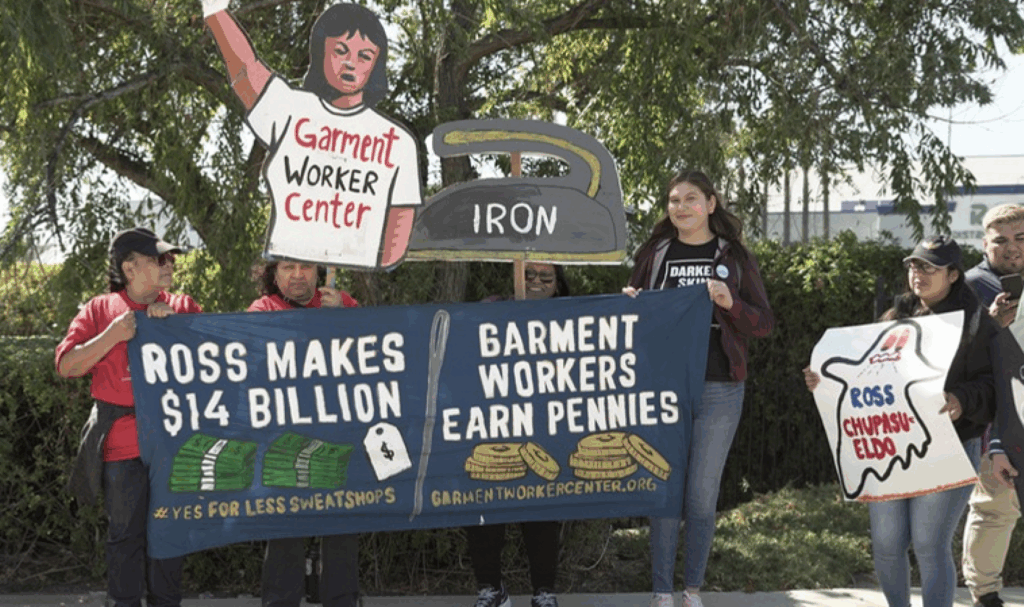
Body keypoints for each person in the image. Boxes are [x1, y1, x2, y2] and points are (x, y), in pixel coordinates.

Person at [804, 234, 998, 607]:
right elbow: (867, 375)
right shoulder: (895, 318)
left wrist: (961, 400)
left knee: (928, 544)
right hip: (891, 447)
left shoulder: (976, 323)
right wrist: (822, 379)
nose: (917, 273)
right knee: (887, 545)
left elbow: (993, 386)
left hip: (950, 448)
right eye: (913, 265)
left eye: (929, 267)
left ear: (954, 275)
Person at [622, 170, 773, 607]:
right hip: (664, 388)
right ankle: (660, 592)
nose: (681, 207)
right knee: (664, 490)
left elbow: (763, 323)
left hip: (720, 387)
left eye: (691, 199)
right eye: (673, 200)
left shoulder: (733, 255)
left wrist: (730, 304)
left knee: (702, 497)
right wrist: (631, 304)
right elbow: (636, 318)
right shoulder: (656, 253)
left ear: (711, 204)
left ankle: (692, 590)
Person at [201, 0, 421, 269]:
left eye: (364, 56)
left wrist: (352, 271)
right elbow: (246, 69)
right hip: (287, 281)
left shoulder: (398, 142)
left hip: (345, 301)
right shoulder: (290, 109)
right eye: (340, 51)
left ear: (376, 63)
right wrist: (214, 10)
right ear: (320, 51)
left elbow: (397, 236)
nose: (351, 64)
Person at [58, 227, 202, 607]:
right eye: (159, 258)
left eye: (170, 258)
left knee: (170, 535)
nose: (169, 264)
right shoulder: (100, 310)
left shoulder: (183, 305)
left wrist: (176, 329)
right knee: (124, 540)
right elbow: (67, 365)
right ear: (130, 268)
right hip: (122, 449)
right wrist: (112, 336)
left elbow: (216, 365)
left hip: (172, 445)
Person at [247, 259, 361, 607]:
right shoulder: (261, 309)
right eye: (287, 267)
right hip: (284, 447)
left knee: (341, 538)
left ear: (321, 271)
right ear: (273, 273)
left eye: (306, 267)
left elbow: (379, 354)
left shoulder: (343, 303)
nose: (297, 275)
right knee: (284, 541)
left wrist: (345, 318)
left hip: (337, 442)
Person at [468, 261, 569, 607]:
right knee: (483, 507)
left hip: (544, 427)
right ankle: (492, 589)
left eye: (546, 276)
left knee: (541, 509)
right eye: (528, 274)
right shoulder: (491, 309)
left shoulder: (573, 316)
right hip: (495, 427)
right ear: (515, 276)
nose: (537, 282)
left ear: (558, 284)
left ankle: (544, 591)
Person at [962, 204, 1024, 607]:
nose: (1012, 248)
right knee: (995, 506)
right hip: (995, 417)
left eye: (1020, 238)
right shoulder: (968, 287)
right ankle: (985, 593)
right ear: (985, 243)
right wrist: (990, 323)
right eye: (1001, 240)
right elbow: (952, 354)